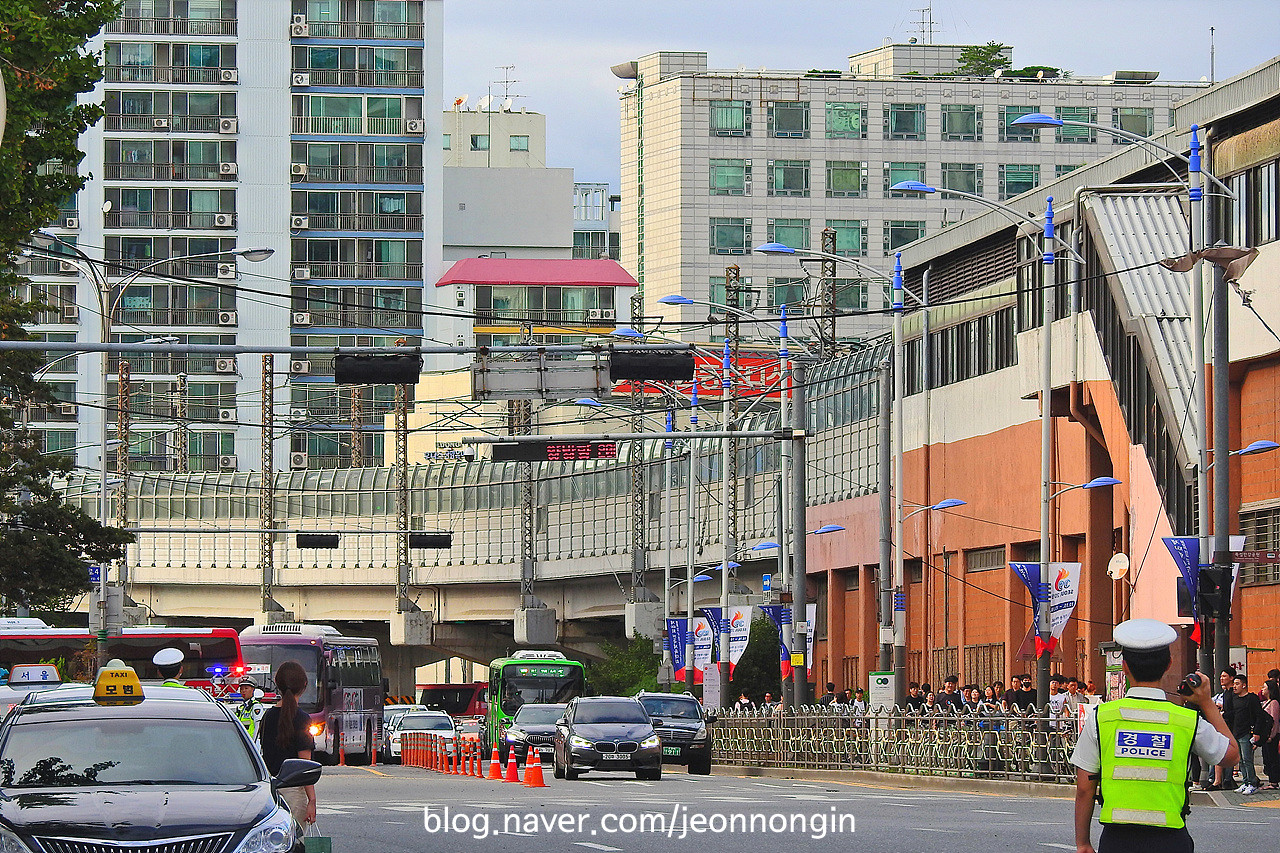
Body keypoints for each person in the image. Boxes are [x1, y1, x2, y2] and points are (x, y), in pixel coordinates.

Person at [1071, 619, 1237, 853]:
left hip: (1117, 840)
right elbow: (1231, 755)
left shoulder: (1101, 718)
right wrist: (1206, 702)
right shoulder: (1186, 721)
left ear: (1125, 666)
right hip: (1170, 840)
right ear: (1169, 664)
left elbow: (1084, 788)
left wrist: (1083, 843)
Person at [260, 661, 317, 836]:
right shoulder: (302, 718)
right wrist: (312, 800)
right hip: (294, 792)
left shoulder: (267, 716)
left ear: (278, 685)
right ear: (304, 685)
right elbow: (304, 765)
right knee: (294, 842)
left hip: (269, 793)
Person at [1229, 674, 1266, 794]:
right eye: (1234, 684)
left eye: (1237, 684)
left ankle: (1252, 783)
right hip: (1236, 732)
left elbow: (1259, 716)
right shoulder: (1234, 699)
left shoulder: (1251, 698)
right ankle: (1245, 782)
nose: (1234, 686)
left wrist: (1256, 732)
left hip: (1247, 732)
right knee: (1240, 760)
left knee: (1247, 759)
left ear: (1244, 685)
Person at [1261, 680, 1280, 789]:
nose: (1262, 689)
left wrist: (1271, 736)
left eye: (1264, 687)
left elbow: (1275, 721)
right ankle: (1271, 780)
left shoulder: (1274, 703)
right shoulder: (1265, 702)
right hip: (1265, 735)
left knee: (1272, 758)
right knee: (1267, 758)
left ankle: (1274, 781)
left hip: (1272, 736)